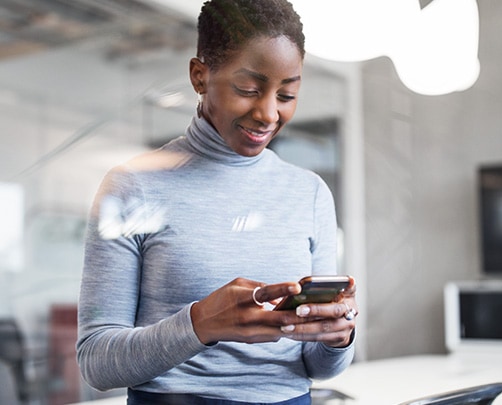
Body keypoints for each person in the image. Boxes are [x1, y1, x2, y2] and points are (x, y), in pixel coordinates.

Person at [76, 0, 357, 404]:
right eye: (248, 90)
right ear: (200, 76)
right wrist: (201, 324)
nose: (268, 113)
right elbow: (96, 363)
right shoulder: (133, 186)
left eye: (287, 94)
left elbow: (317, 365)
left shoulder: (309, 192)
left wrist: (336, 337)